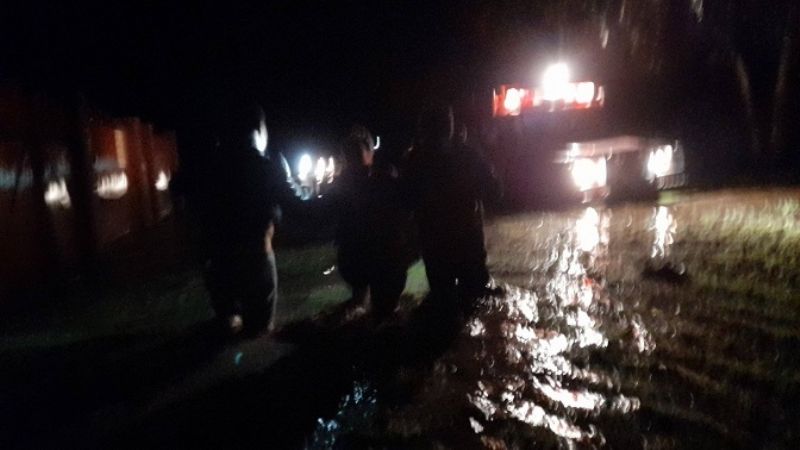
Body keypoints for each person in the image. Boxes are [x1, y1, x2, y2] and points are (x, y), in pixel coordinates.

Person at [176, 104, 292, 338]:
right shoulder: (267, 165)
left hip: (218, 261)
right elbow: (295, 202)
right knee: (259, 329)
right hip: (256, 257)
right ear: (259, 129)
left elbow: (184, 196)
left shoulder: (209, 165)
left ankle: (230, 320)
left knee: (228, 321)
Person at [403, 105, 500, 308]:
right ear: (450, 126)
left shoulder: (414, 160)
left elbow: (404, 203)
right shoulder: (468, 156)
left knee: (443, 299)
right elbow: (494, 191)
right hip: (467, 242)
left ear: (423, 129)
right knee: (474, 299)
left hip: (434, 246)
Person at [331, 125, 416, 321]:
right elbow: (408, 206)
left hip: (352, 263)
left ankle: (362, 304)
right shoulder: (385, 179)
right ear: (369, 153)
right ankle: (382, 311)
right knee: (385, 310)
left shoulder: (339, 187)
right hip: (384, 262)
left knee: (363, 298)